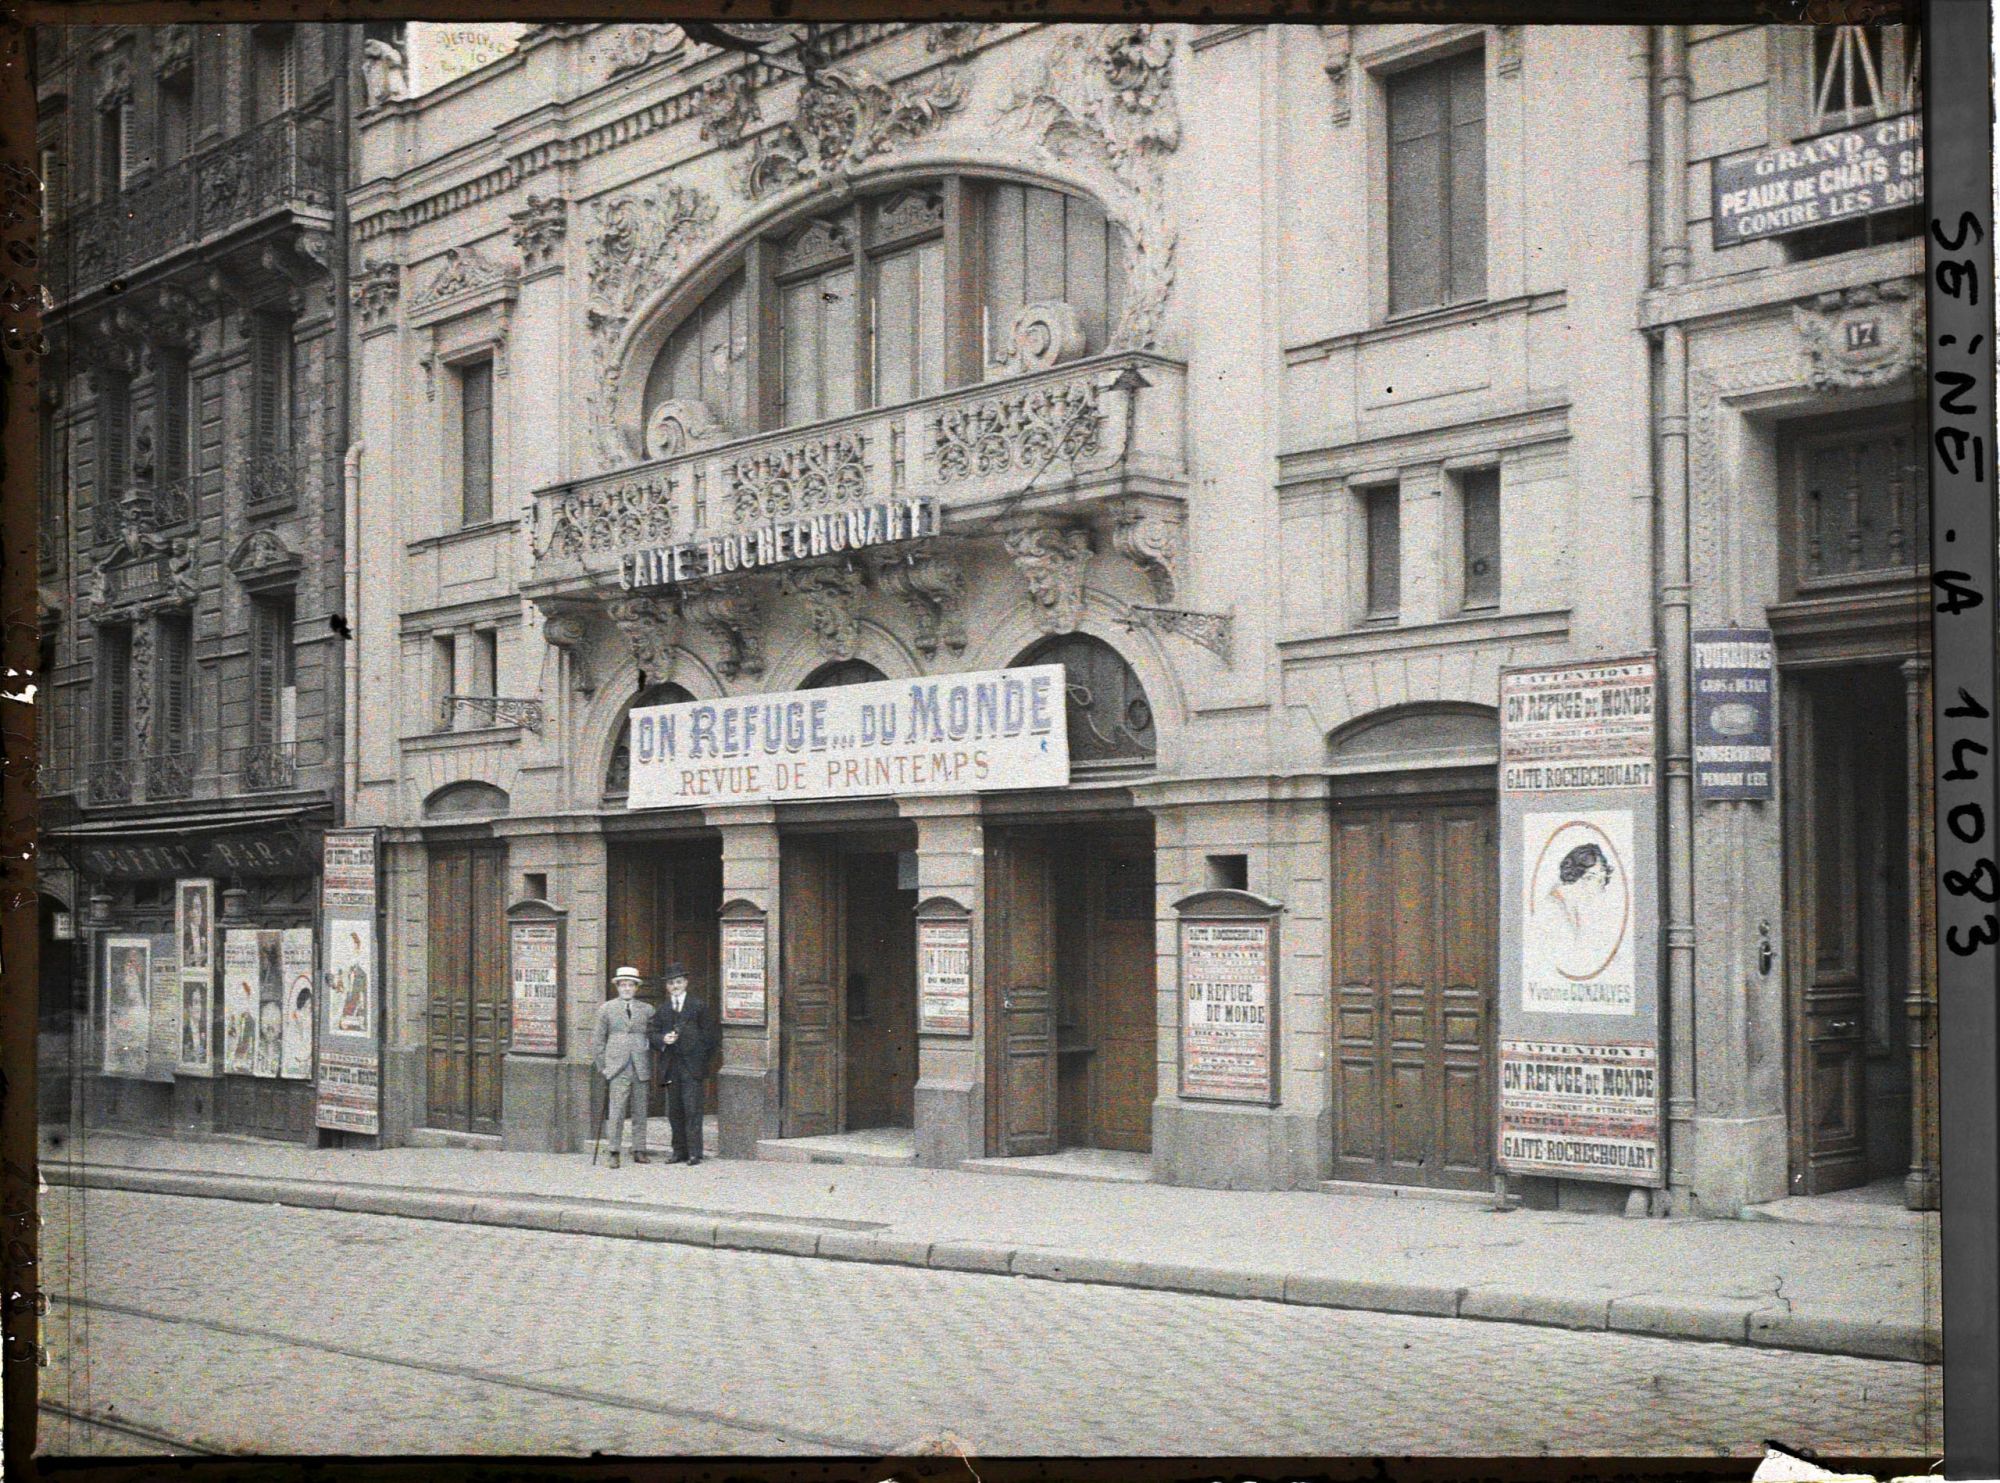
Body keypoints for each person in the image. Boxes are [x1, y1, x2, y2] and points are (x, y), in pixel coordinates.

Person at [591, 966, 655, 1169]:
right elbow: (598, 1040)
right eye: (623, 985)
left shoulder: (646, 1009)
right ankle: (614, 1151)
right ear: (617, 987)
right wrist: (604, 1066)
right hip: (617, 1067)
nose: (627, 988)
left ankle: (639, 1149)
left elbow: (653, 1036)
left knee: (640, 1109)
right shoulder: (607, 1009)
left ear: (637, 988)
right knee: (617, 1110)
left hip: (640, 1065)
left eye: (631, 985)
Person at [654, 962, 714, 1166]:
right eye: (671, 983)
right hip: (671, 1066)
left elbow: (710, 1037)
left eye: (678, 982)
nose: (675, 986)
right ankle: (678, 1151)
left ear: (686, 983)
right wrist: (663, 1039)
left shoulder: (698, 1006)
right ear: (667, 987)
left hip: (692, 1067)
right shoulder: (662, 1010)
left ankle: (695, 1153)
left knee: (693, 1110)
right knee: (674, 1111)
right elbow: (652, 1034)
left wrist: (700, 1061)